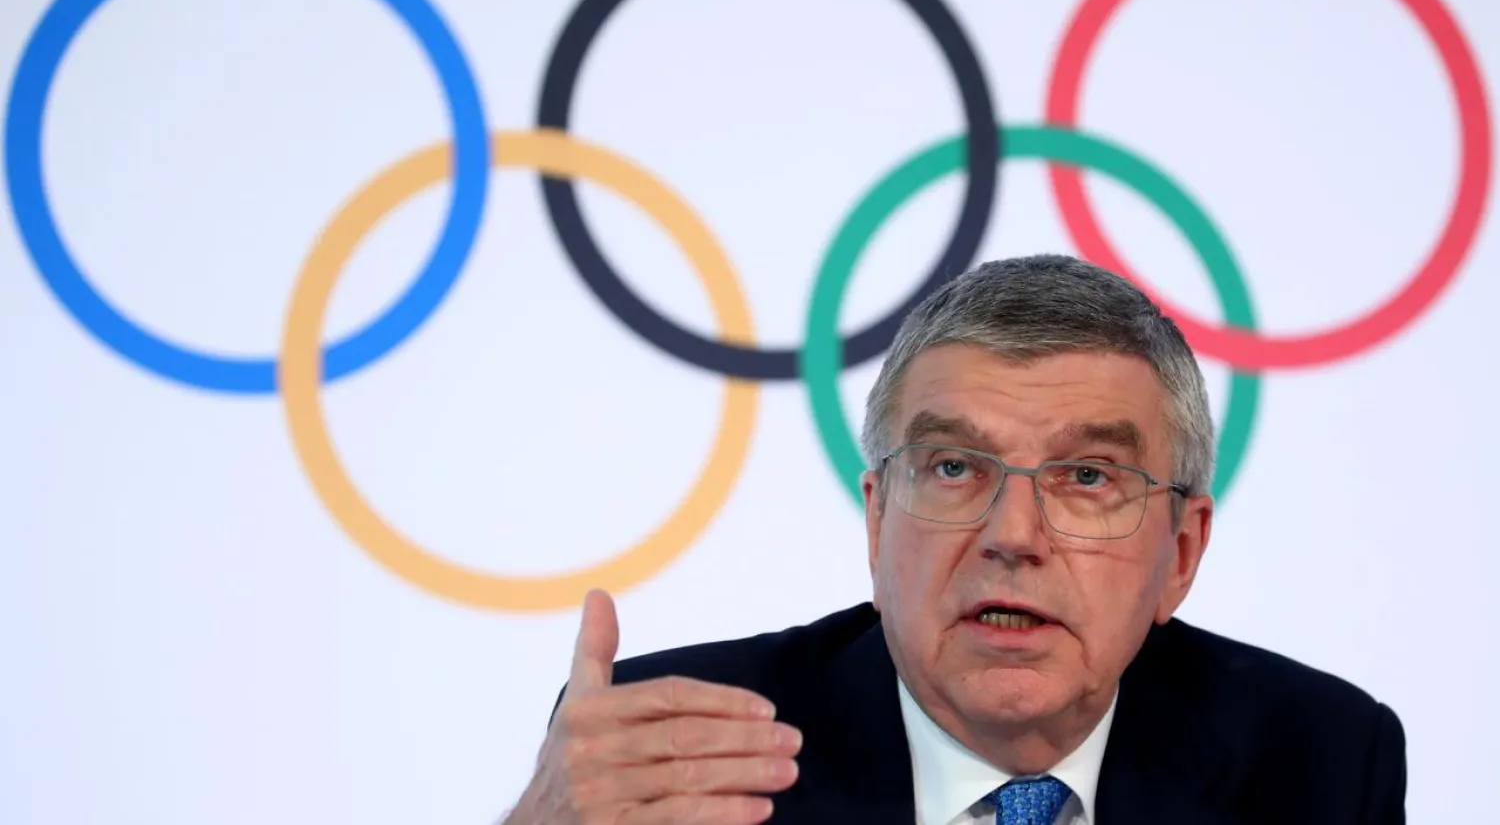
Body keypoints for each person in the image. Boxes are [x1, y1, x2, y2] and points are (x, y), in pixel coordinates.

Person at [501, 254, 1406, 825]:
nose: (1012, 535)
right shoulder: (674, 748)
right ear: (879, 515)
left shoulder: (1318, 761)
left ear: (1180, 553)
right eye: (953, 468)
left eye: (1087, 476)